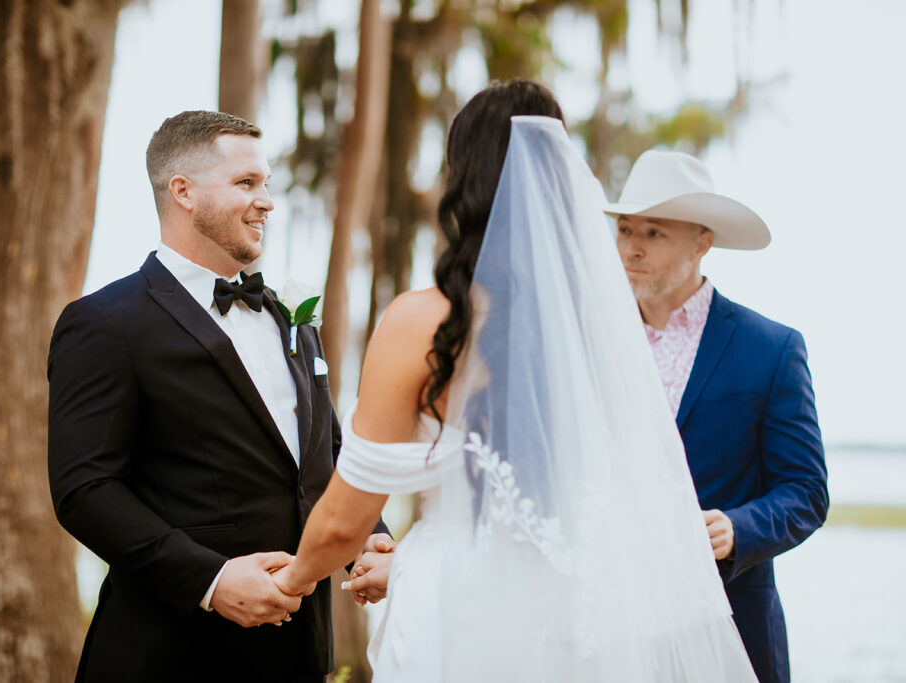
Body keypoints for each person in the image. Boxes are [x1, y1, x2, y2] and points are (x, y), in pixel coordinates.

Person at [271, 80, 758, 681]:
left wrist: (292, 580)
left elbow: (346, 519)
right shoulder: (599, 326)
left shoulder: (424, 322)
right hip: (574, 621)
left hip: (456, 619)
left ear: (463, 183)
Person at [47, 110, 390, 682]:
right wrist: (211, 581)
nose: (267, 202)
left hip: (300, 654)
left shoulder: (291, 318)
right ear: (182, 191)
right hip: (172, 654)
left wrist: (370, 543)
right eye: (246, 184)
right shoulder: (106, 323)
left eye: (267, 184)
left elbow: (323, 459)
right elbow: (84, 490)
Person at [607, 149, 828, 683]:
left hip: (733, 630)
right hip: (612, 630)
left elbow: (806, 491)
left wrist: (737, 528)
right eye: (626, 230)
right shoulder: (595, 344)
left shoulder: (772, 348)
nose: (632, 249)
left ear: (702, 242)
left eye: (654, 233)